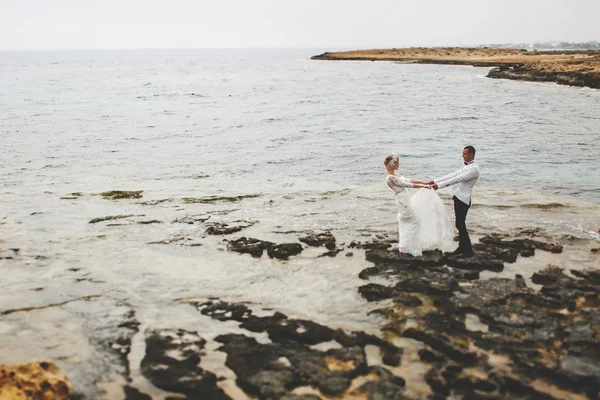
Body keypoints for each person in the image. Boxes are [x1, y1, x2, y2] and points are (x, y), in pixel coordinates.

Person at [384, 154, 452, 257]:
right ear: (392, 164)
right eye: (397, 162)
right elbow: (407, 185)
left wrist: (421, 182)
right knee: (413, 221)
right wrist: (423, 186)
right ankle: (407, 248)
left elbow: (408, 180)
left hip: (405, 201)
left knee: (409, 223)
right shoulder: (390, 178)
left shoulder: (395, 175)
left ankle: (406, 247)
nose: (398, 164)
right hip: (403, 203)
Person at [430, 146, 480, 258]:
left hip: (463, 199)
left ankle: (468, 251)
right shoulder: (465, 166)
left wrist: (439, 186)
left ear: (471, 154)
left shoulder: (474, 169)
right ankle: (462, 247)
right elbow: (454, 174)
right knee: (459, 224)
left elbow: (458, 179)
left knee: (460, 224)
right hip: (458, 197)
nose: (462, 155)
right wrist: (435, 181)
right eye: (463, 153)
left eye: (465, 154)